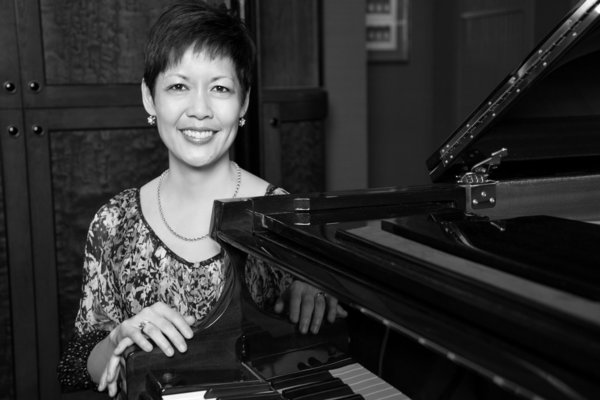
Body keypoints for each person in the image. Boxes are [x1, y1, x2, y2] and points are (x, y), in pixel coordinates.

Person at [57, 1, 346, 397]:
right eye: (178, 86)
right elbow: (80, 366)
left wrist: (315, 296)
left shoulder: (284, 215)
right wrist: (118, 340)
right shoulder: (113, 221)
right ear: (149, 98)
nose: (199, 110)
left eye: (220, 88)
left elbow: (328, 342)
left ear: (243, 103)